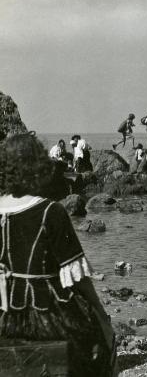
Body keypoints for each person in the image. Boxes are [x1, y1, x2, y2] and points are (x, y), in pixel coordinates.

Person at [0, 133, 115, 376]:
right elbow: (78, 277)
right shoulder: (51, 212)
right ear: (38, 167)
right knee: (92, 351)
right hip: (48, 315)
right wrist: (101, 315)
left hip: (3, 312)